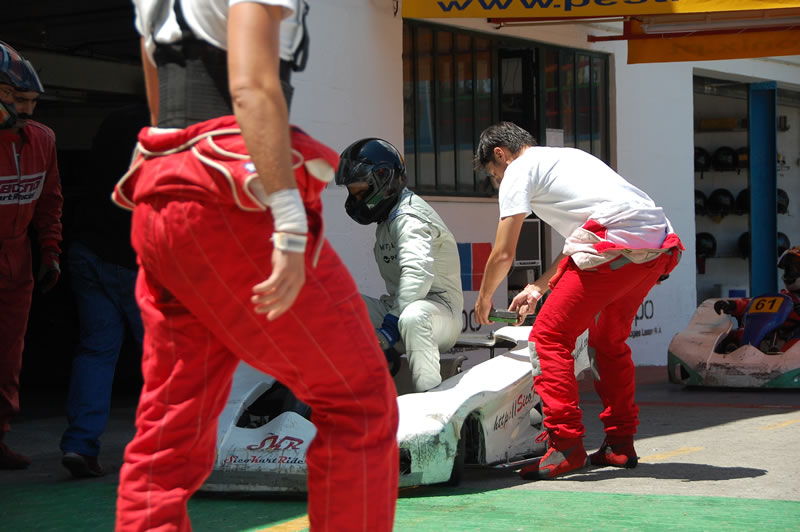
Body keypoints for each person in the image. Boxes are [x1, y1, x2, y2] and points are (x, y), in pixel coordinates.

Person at [115, 1, 398, 530]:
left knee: (168, 423)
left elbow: (156, 81)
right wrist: (289, 222)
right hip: (235, 198)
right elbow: (250, 85)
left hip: (163, 190)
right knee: (358, 401)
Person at [473, 121, 682, 480]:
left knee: (549, 338)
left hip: (614, 244)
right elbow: (582, 239)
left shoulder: (518, 169)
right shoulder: (566, 159)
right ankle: (619, 444)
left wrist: (484, 297)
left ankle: (564, 446)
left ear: (500, 155)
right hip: (656, 246)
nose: (497, 183)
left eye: (494, 175)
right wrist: (539, 288)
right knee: (607, 342)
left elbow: (504, 253)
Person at [58, 104, 150, 478]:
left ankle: (80, 445)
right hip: (133, 260)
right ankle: (159, 450)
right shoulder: (168, 130)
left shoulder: (115, 120)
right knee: (164, 362)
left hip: (88, 251)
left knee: (95, 352)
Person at [334, 138, 464, 392]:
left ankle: (430, 407)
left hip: (440, 313)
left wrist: (389, 331)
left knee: (414, 318)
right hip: (400, 308)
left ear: (384, 180)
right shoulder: (388, 219)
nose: (355, 197)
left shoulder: (408, 216)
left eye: (360, 190)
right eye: (352, 191)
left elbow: (418, 274)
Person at [0, 42, 62, 470]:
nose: (28, 109)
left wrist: (50, 251)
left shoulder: (43, 139)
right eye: (18, 99)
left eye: (33, 101)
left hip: (17, 264)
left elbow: (50, 201)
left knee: (7, 361)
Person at [714, 245, 800, 350]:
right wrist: (733, 305)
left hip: (791, 349)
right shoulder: (784, 297)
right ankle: (737, 351)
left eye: (794, 269)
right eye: (788, 269)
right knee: (735, 333)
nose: (790, 273)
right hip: (772, 342)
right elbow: (753, 304)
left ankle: (782, 355)